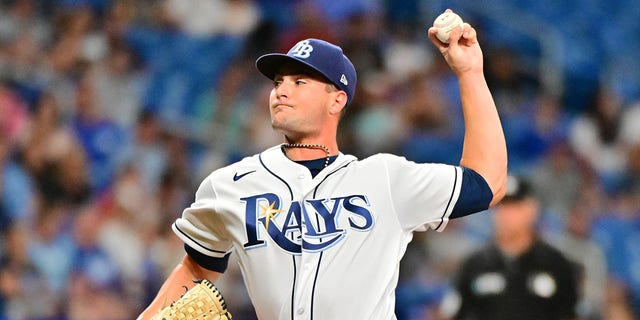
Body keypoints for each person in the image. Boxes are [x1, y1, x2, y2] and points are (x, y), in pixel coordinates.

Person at [138, 9, 507, 320]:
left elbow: (487, 181)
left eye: (300, 81)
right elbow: (196, 266)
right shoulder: (231, 184)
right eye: (279, 81)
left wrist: (471, 74)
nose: (281, 90)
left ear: (337, 101)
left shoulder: (385, 179)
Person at [440, 175, 579, 320]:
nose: (507, 215)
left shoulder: (555, 264)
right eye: (502, 207)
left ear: (532, 210)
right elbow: (451, 313)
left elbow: (571, 313)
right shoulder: (474, 265)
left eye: (515, 207)